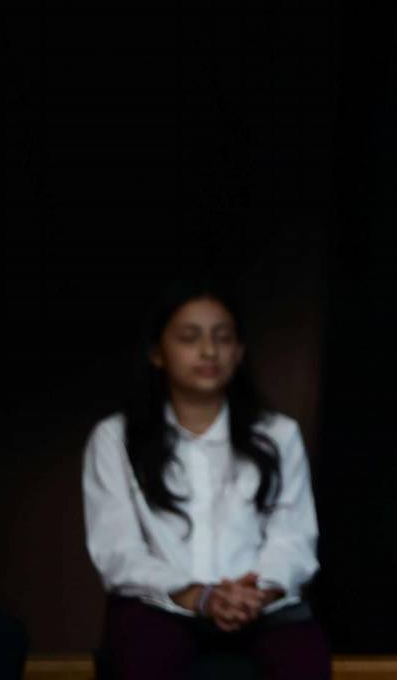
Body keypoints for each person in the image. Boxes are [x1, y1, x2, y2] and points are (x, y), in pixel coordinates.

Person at [82, 278, 330, 679]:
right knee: (145, 657)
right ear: (157, 353)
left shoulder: (278, 434)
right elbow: (118, 551)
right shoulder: (115, 437)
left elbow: (294, 538)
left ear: (240, 351)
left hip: (261, 605)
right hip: (162, 604)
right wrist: (199, 596)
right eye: (189, 337)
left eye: (223, 337)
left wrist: (257, 592)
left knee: (304, 662)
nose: (209, 350)